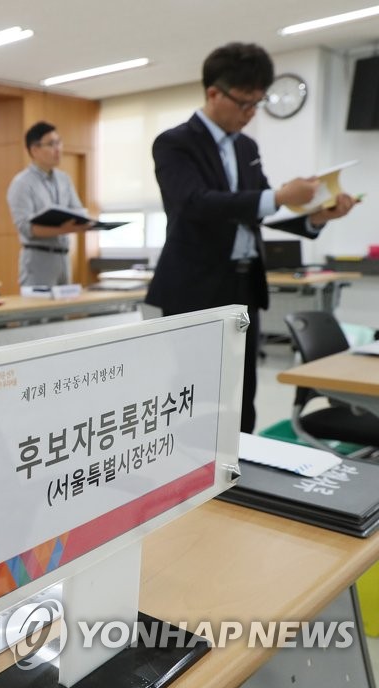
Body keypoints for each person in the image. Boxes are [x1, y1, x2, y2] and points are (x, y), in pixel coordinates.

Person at [147, 42, 357, 433]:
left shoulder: (247, 147)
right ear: (214, 93)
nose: (251, 113)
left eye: (257, 103)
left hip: (243, 283)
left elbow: (259, 211)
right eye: (245, 103)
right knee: (195, 392)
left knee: (242, 389)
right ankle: (190, 464)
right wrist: (279, 195)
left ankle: (243, 461)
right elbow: (194, 204)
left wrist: (317, 216)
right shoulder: (174, 143)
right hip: (194, 286)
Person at [7, 121, 92, 287]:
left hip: (64, 257)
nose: (58, 148)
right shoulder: (22, 183)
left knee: (65, 304)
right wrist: (65, 229)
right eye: (51, 144)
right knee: (38, 305)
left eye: (59, 142)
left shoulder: (64, 179)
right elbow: (26, 228)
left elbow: (77, 210)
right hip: (38, 259)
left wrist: (85, 222)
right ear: (34, 149)